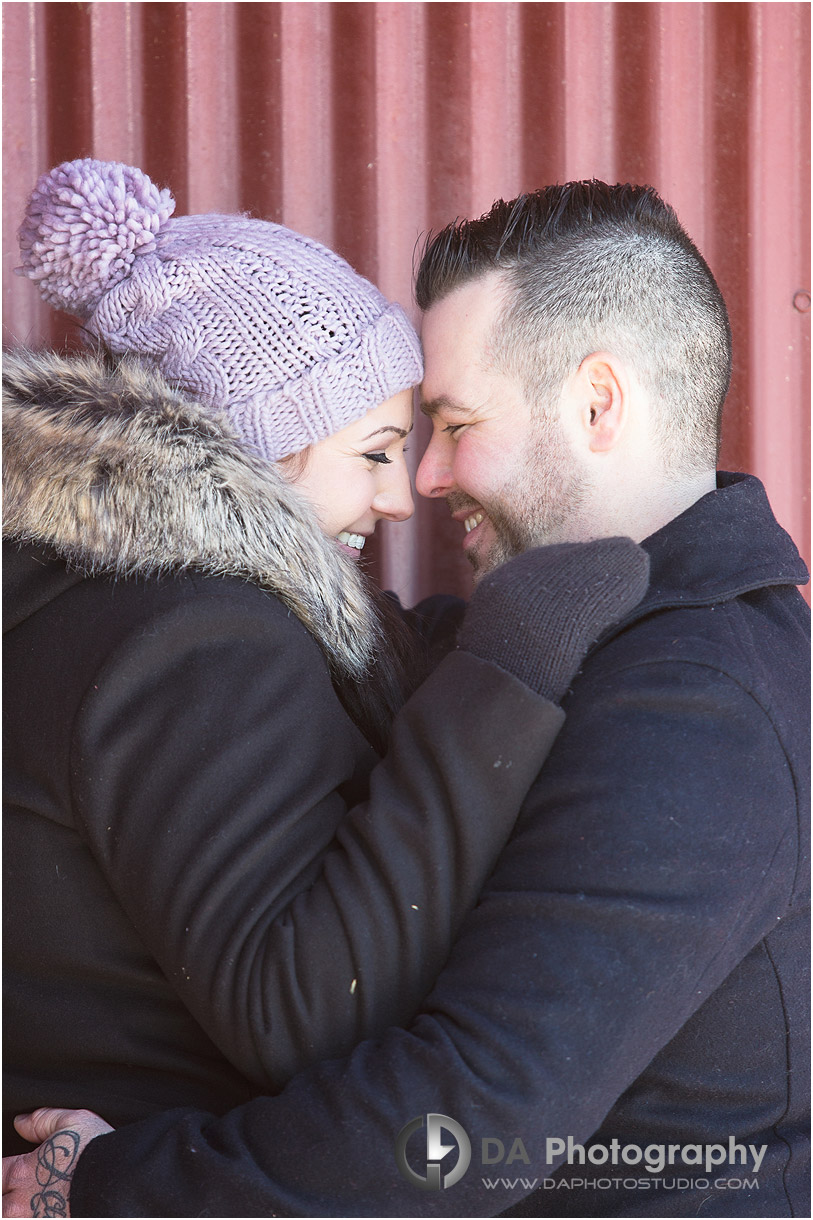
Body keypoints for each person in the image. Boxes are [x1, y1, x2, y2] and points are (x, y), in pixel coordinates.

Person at [4, 181, 807, 1219]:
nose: (424, 480)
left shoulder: (702, 700)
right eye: (394, 442)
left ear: (598, 402)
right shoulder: (589, 637)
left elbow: (471, 1115)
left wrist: (118, 1183)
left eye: (453, 422)